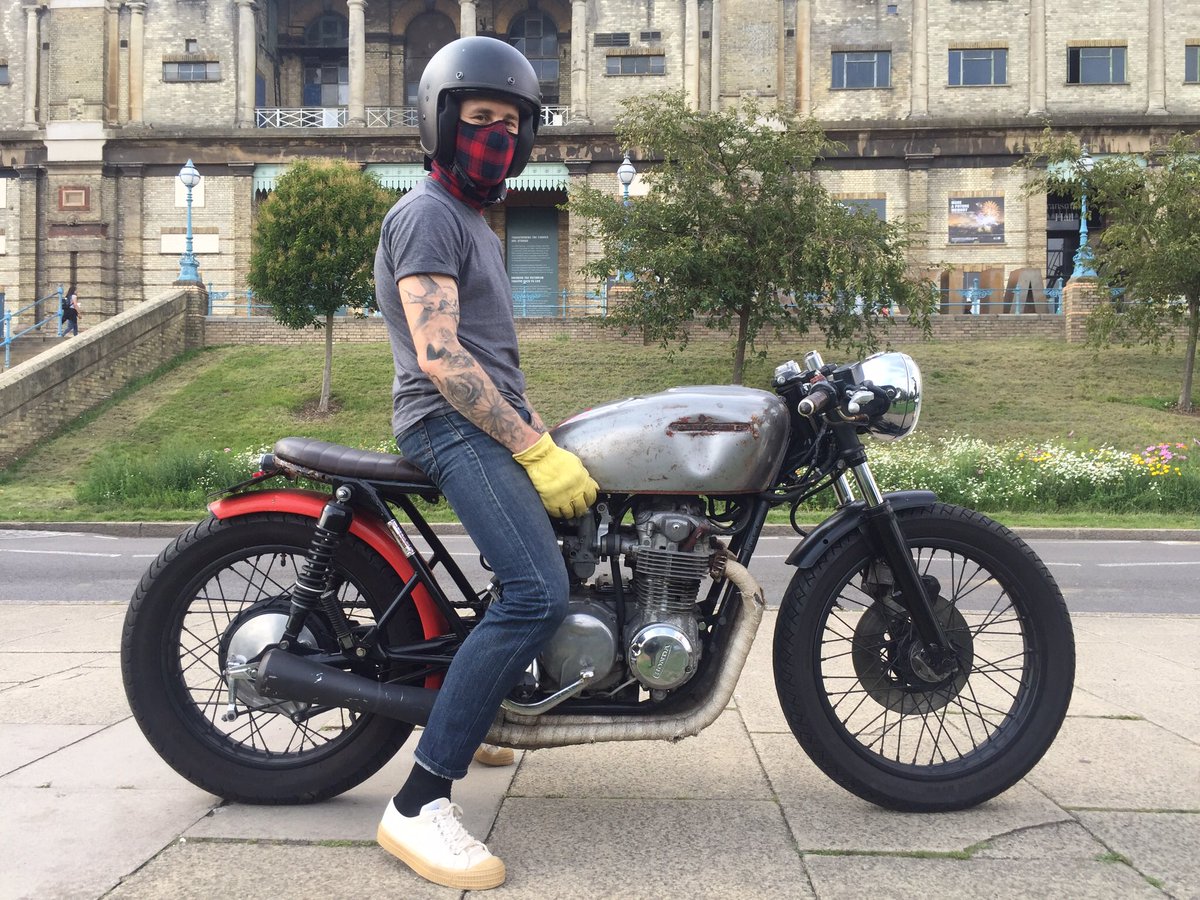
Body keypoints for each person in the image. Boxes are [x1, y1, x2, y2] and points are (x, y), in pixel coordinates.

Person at [372, 37, 597, 891]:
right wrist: (531, 446)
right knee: (538, 592)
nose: (497, 136)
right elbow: (441, 358)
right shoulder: (427, 214)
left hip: (481, 421)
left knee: (559, 559)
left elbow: (493, 363)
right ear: (440, 122)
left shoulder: (471, 221)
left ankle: (490, 705)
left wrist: (548, 434)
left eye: (512, 124)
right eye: (480, 119)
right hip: (444, 423)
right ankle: (419, 803)